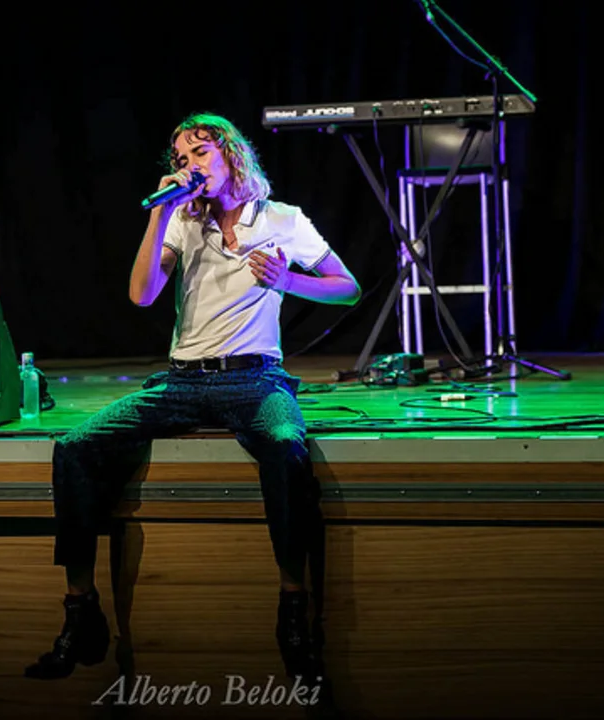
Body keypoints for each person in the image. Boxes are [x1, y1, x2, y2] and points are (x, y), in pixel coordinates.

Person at [24, 112, 361, 682]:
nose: (189, 164)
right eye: (180, 159)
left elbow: (347, 288)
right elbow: (141, 294)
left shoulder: (281, 218)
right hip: (183, 381)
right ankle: (81, 609)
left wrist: (287, 281)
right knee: (75, 445)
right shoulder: (182, 220)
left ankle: (293, 607)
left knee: (285, 445)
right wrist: (159, 214)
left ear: (231, 155)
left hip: (254, 379)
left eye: (200, 153)